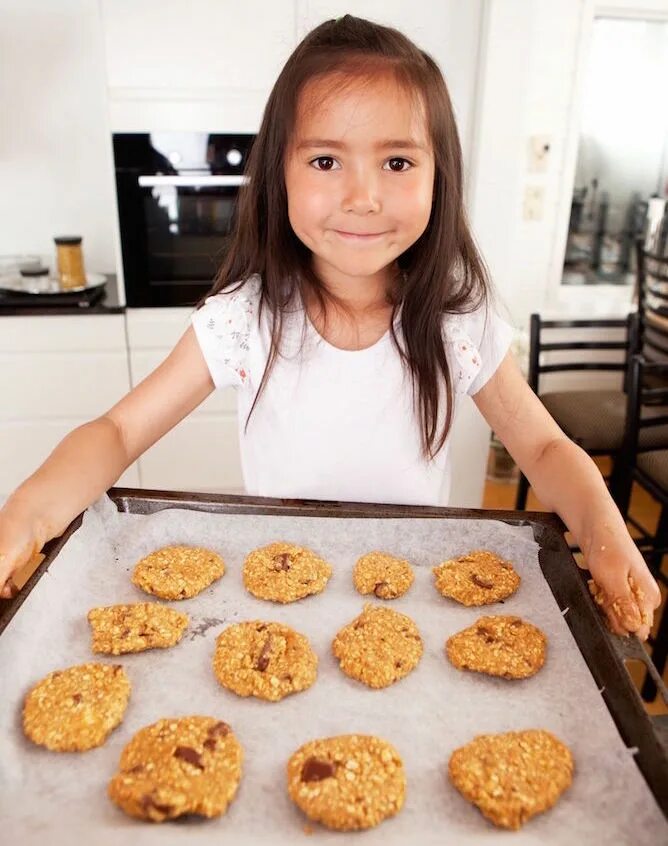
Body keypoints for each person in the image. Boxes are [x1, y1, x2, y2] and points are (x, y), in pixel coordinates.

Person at [0, 15, 660, 640]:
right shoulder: (245, 318)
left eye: (397, 163)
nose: (362, 196)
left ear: (440, 177)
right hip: (276, 595)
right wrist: (28, 512)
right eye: (325, 162)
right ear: (278, 174)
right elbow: (119, 431)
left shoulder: (456, 320)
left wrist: (603, 528)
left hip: (411, 605)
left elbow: (543, 449)